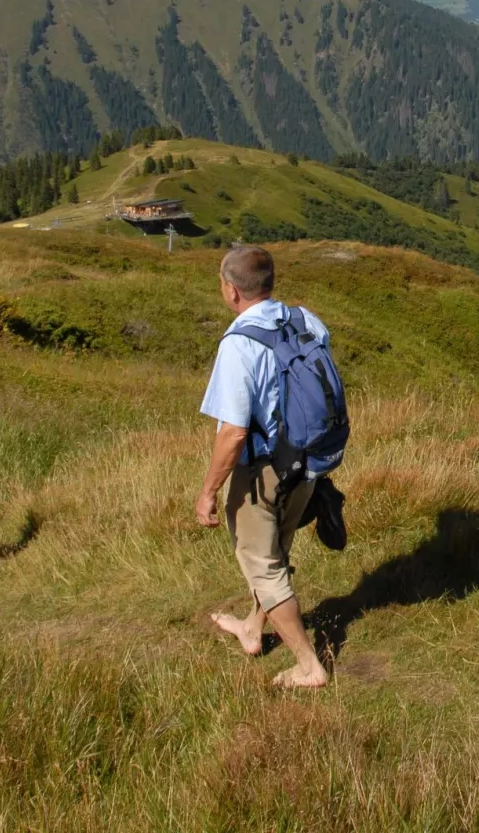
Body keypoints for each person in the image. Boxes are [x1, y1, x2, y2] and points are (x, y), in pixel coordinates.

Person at [197, 245, 331, 689]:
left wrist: (208, 492)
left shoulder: (239, 345)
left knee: (263, 563)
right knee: (276, 550)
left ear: (231, 291)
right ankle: (253, 629)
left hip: (264, 470)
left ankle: (309, 665)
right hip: (307, 461)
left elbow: (233, 433)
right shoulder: (304, 319)